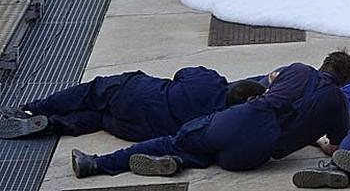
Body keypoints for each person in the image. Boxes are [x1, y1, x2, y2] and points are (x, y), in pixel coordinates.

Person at [70, 51, 350, 178]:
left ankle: (95, 165)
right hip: (254, 155)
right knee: (215, 155)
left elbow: (270, 78)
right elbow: (337, 147)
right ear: (345, 82)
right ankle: (178, 161)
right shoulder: (339, 103)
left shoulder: (299, 69)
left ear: (324, 64)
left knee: (177, 139)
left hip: (244, 118)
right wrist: (317, 140)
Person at [0, 67, 264, 142]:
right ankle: (53, 125)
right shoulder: (220, 120)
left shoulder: (209, 81)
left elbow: (183, 73)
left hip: (136, 94)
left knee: (92, 92)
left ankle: (33, 109)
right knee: (100, 118)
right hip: (139, 130)